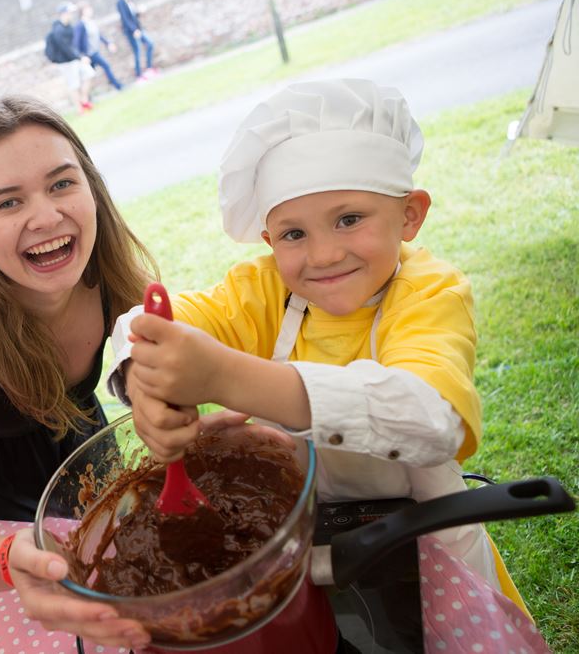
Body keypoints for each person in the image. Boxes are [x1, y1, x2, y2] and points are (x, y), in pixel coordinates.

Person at [110, 78, 529, 613]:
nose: (324, 255)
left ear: (410, 214)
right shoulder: (267, 289)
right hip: (308, 542)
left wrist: (226, 379)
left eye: (349, 219)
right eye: (294, 234)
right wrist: (144, 379)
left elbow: (430, 416)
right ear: (268, 242)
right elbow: (145, 322)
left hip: (430, 551)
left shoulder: (430, 292)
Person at [0, 95, 157, 650]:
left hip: (92, 453)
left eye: (62, 184)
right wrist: (10, 559)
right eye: (8, 202)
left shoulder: (112, 272)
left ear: (91, 187)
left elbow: (155, 396)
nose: (46, 217)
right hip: (4, 512)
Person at [45, 2, 95, 113]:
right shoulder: (58, 30)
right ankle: (79, 110)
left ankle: (84, 99)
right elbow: (65, 48)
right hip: (65, 62)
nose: (72, 15)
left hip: (74, 59)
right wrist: (80, 57)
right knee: (74, 85)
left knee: (89, 73)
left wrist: (79, 56)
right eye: (69, 12)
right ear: (63, 13)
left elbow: (73, 46)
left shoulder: (69, 27)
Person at [73, 1, 123, 92]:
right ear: (83, 11)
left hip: (95, 52)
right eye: (88, 9)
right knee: (100, 69)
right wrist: (82, 56)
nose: (91, 10)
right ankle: (117, 86)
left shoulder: (91, 22)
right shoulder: (80, 25)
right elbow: (76, 43)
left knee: (91, 76)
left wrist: (108, 43)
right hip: (89, 55)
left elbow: (99, 35)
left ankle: (89, 97)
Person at [115, 0, 156, 82]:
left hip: (138, 28)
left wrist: (139, 11)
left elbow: (133, 15)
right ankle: (139, 76)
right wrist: (134, 30)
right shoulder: (120, 2)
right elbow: (125, 19)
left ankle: (149, 69)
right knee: (137, 51)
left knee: (150, 44)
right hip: (131, 31)